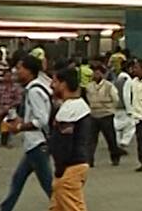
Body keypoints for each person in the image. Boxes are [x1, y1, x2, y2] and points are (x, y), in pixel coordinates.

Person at [1, 55, 54, 211]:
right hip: (33, 145)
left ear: (29, 71)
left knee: (48, 185)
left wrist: (19, 127)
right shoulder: (36, 87)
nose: (17, 71)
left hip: (38, 144)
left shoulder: (34, 91)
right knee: (18, 179)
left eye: (20, 68)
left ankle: (66, 207)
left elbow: (41, 120)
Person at [48, 68, 91, 211]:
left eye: (54, 81)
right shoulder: (77, 106)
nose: (51, 86)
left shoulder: (70, 110)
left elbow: (64, 143)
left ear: (63, 84)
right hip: (74, 166)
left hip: (70, 168)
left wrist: (60, 170)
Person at [85, 65, 124, 167]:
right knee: (91, 139)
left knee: (110, 138)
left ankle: (115, 157)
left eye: (98, 73)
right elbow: (88, 98)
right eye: (94, 73)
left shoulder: (109, 86)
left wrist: (110, 108)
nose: (96, 75)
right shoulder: (89, 86)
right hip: (94, 114)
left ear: (103, 74)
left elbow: (115, 99)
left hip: (106, 114)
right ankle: (89, 159)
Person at [0, 69, 23, 147]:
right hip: (0, 108)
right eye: (6, 76)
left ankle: (5, 138)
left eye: (10, 76)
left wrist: (9, 106)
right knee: (0, 115)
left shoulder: (16, 87)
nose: (8, 78)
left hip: (11, 108)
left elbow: (19, 99)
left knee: (8, 115)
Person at [113, 64, 135, 149]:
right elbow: (126, 95)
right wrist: (129, 109)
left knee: (117, 126)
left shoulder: (117, 80)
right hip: (124, 106)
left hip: (116, 107)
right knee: (130, 125)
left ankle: (118, 141)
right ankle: (124, 142)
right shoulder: (127, 80)